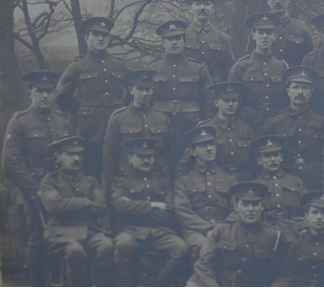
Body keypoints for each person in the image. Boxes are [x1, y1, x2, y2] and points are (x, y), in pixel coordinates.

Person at [2, 70, 73, 286]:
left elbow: (72, 154)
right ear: (30, 93)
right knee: (38, 238)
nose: (45, 96)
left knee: (65, 237)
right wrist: (35, 191)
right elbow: (10, 164)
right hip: (34, 189)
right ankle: (39, 286)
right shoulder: (20, 122)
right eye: (39, 91)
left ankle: (59, 282)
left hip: (62, 189)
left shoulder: (62, 120)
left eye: (49, 91)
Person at [55, 17, 129, 180]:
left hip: (118, 128)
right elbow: (61, 96)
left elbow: (132, 91)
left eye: (104, 35)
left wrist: (126, 111)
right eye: (96, 34)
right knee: (90, 172)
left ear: (109, 38)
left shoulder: (119, 65)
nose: (101, 39)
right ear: (87, 38)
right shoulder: (78, 65)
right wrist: (82, 111)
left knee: (119, 171)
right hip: (90, 130)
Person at [111, 138, 187, 286]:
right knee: (122, 245)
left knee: (180, 248)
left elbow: (171, 209)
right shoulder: (121, 181)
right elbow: (119, 205)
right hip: (131, 230)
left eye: (150, 157)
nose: (146, 160)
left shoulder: (163, 180)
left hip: (161, 230)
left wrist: (133, 206)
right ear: (130, 158)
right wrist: (153, 205)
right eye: (141, 157)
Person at [39, 137, 114, 287]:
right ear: (58, 157)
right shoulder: (49, 181)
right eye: (70, 154)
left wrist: (71, 207)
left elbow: (102, 206)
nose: (76, 158)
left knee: (107, 246)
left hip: (90, 230)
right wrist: (86, 202)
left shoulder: (89, 180)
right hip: (60, 232)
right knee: (76, 251)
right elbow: (55, 206)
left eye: (79, 155)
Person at [189, 182, 285, 287]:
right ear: (236, 206)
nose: (251, 209)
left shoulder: (274, 236)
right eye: (245, 204)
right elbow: (204, 265)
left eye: (255, 204)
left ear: (262, 206)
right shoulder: (222, 230)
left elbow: (283, 272)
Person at [103, 69, 174, 193]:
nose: (144, 93)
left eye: (148, 89)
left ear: (152, 90)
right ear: (131, 90)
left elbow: (171, 151)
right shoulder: (118, 117)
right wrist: (112, 189)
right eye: (140, 89)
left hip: (158, 179)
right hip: (128, 179)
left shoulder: (162, 118)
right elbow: (109, 156)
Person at [173, 126, 237, 264]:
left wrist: (221, 228)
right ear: (193, 152)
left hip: (224, 228)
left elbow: (236, 209)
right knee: (202, 248)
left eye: (212, 144)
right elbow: (182, 212)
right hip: (195, 231)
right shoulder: (183, 181)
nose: (209, 148)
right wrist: (207, 228)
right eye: (203, 145)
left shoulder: (229, 179)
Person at [145, 19, 215, 141]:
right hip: (160, 125)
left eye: (178, 38)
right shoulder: (152, 68)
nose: (174, 42)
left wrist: (204, 123)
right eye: (169, 39)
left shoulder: (198, 68)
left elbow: (209, 98)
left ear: (184, 41)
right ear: (163, 42)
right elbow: (145, 99)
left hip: (191, 125)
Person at [262, 66, 324, 190]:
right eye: (295, 87)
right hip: (285, 178)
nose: (300, 92)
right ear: (288, 91)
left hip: (313, 179)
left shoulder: (322, 122)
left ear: (311, 93)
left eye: (305, 88)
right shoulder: (274, 122)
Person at [272, 191, 324, 287]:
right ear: (306, 216)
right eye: (314, 212)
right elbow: (286, 277)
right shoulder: (297, 243)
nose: (319, 217)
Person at [229, 12, 288, 133]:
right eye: (260, 32)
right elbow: (232, 98)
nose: (265, 36)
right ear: (253, 35)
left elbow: (286, 99)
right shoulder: (241, 66)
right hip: (248, 124)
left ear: (274, 35)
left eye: (269, 32)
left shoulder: (282, 66)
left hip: (276, 123)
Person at [249, 135, 306, 244]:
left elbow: (307, 207)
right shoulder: (255, 186)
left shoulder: (295, 181)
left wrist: (306, 226)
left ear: (281, 158)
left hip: (295, 230)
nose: (272, 159)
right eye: (267, 156)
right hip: (266, 231)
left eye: (275, 155)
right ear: (259, 161)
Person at [245, 0, 314, 66]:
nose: (278, 1)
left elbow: (311, 61)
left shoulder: (301, 29)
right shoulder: (259, 29)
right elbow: (249, 61)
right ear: (267, 0)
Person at [183, 0, 235, 83]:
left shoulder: (223, 38)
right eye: (198, 4)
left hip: (215, 90)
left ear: (213, 8)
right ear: (191, 8)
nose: (202, 8)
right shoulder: (182, 37)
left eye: (206, 3)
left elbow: (230, 71)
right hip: (190, 92)